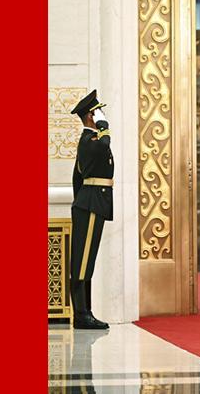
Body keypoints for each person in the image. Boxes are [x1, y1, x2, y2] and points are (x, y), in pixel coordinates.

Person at [68, 89, 114, 329]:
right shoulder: (90, 140)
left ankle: (85, 312)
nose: (102, 115)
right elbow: (104, 144)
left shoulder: (89, 141)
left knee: (87, 259)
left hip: (89, 202)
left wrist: (80, 201)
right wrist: (104, 126)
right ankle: (81, 315)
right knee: (83, 260)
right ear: (90, 116)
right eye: (98, 112)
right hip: (91, 202)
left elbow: (76, 177)